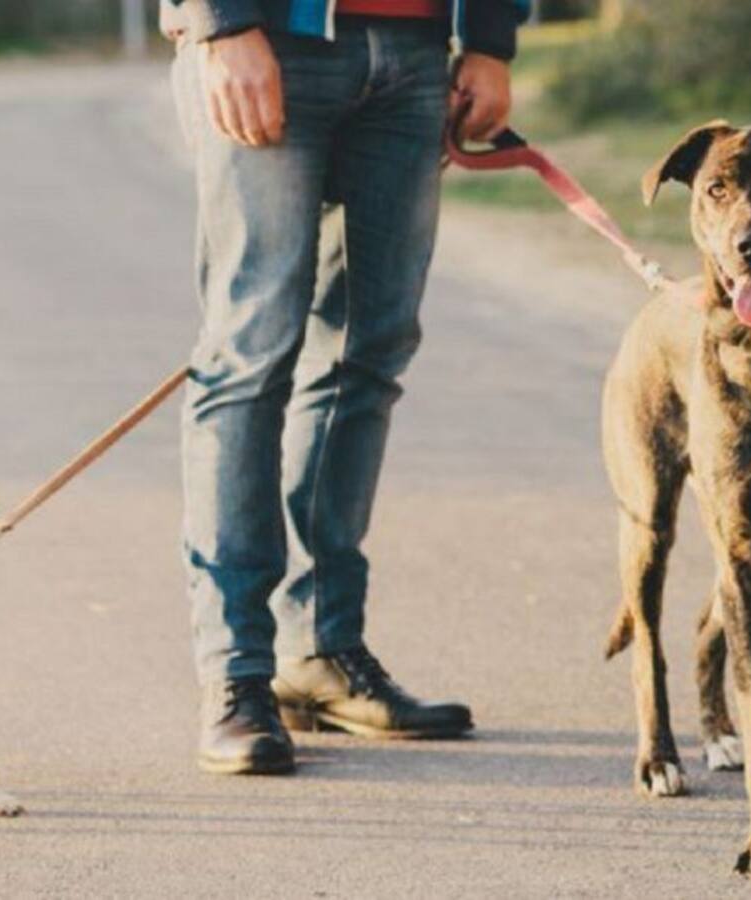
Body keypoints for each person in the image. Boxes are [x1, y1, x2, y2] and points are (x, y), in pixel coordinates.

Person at [162, 0, 529, 774]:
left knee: (370, 349)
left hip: (418, 50)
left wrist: (492, 38)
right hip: (268, 37)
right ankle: (236, 673)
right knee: (251, 354)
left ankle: (321, 648)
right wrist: (221, 23)